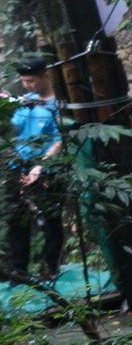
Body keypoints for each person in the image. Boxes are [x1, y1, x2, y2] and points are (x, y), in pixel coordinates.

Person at [5, 56, 64, 281]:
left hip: (45, 169)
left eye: (31, 81)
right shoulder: (23, 102)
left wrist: (42, 166)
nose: (27, 85)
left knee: (49, 221)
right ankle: (18, 272)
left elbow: (60, 140)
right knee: (15, 219)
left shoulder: (57, 104)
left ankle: (51, 270)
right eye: (23, 81)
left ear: (45, 76)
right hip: (16, 167)